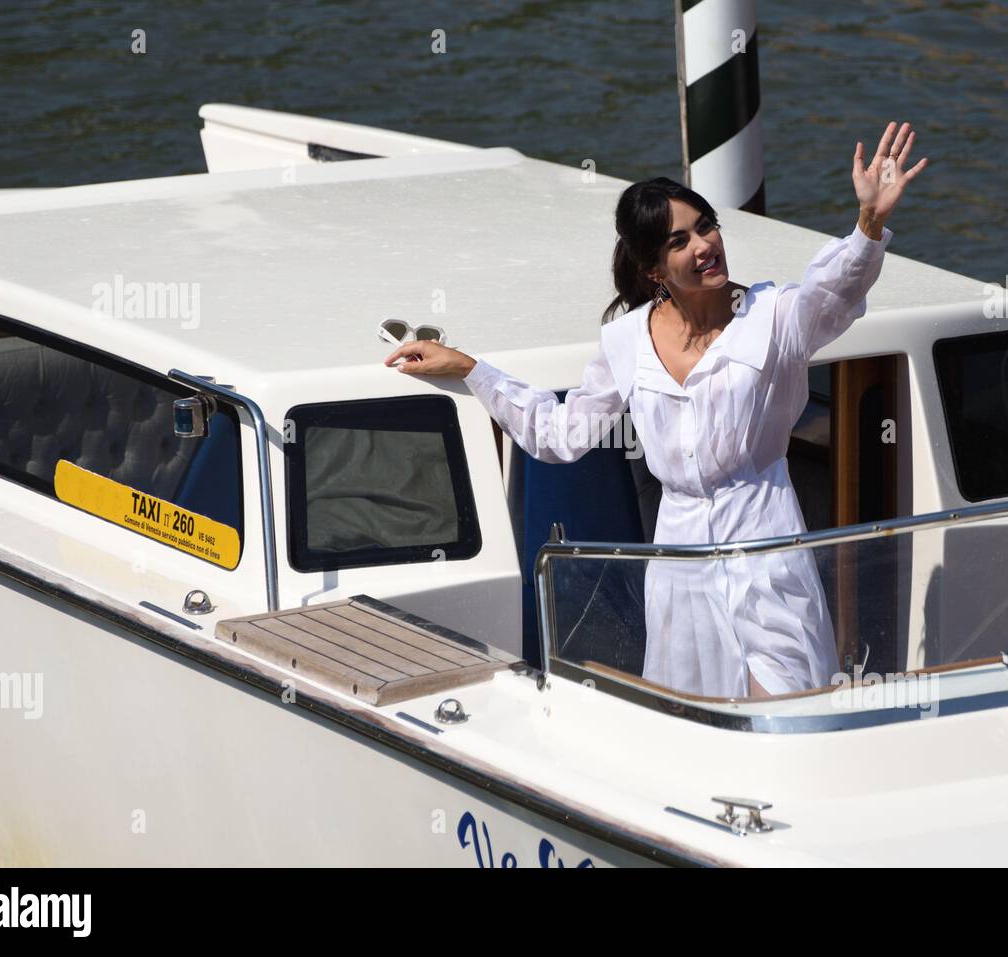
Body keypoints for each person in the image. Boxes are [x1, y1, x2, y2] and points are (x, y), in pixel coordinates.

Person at [384, 122, 928, 699]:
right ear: (653, 270)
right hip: (680, 562)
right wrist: (470, 368)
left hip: (767, 545)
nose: (704, 246)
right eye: (679, 241)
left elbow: (835, 293)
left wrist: (868, 224)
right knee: (692, 712)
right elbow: (558, 435)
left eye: (706, 226)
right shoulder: (625, 341)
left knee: (784, 705)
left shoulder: (774, 316)